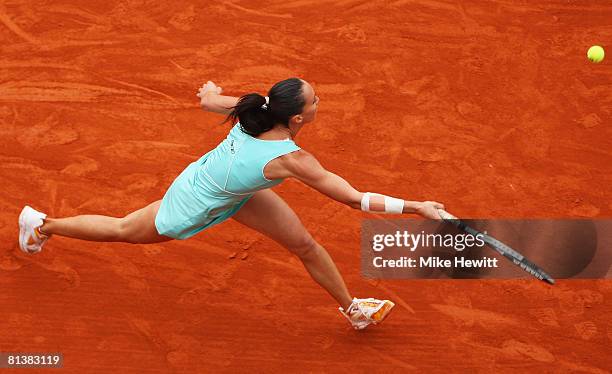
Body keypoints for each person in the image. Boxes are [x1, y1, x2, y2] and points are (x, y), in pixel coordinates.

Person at [18, 77, 444, 330]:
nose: (320, 103)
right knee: (124, 229)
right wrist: (418, 206)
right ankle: (42, 224)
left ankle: (354, 310)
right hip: (196, 199)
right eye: (315, 101)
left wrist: (212, 91)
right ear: (295, 118)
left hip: (238, 192)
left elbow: (207, 101)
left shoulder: (255, 107)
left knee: (304, 245)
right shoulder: (291, 160)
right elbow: (354, 199)